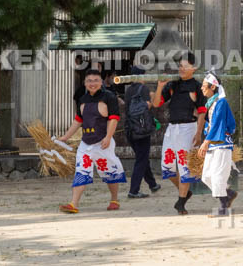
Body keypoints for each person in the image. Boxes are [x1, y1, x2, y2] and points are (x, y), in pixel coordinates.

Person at [57, 69, 126, 213]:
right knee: (81, 172)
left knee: (110, 172)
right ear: (85, 83)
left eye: (95, 80)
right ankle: (73, 204)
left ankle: (114, 199)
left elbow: (114, 119)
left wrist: (108, 137)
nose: (92, 83)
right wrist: (65, 137)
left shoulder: (109, 97)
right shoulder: (82, 99)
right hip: (86, 143)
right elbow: (78, 120)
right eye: (89, 81)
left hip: (103, 142)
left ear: (101, 82)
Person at [153, 52, 207, 215]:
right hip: (172, 129)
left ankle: (181, 201)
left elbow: (202, 112)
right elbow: (156, 103)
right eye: (180, 66)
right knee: (167, 167)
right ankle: (185, 192)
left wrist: (198, 133)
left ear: (194, 68)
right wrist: (160, 86)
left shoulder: (198, 86)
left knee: (185, 167)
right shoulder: (173, 85)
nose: (181, 69)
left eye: (184, 66)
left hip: (188, 128)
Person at [197, 73, 238, 216]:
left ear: (213, 86)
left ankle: (223, 207)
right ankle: (228, 193)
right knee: (206, 176)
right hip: (213, 143)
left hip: (221, 144)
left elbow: (219, 124)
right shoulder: (212, 103)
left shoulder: (221, 102)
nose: (202, 88)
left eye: (204, 85)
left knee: (217, 175)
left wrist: (206, 142)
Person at [123, 66, 161, 198]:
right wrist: (154, 94)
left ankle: (152, 184)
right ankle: (133, 190)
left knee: (142, 157)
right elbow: (149, 105)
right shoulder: (143, 89)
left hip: (130, 129)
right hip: (142, 129)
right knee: (141, 159)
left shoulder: (128, 90)